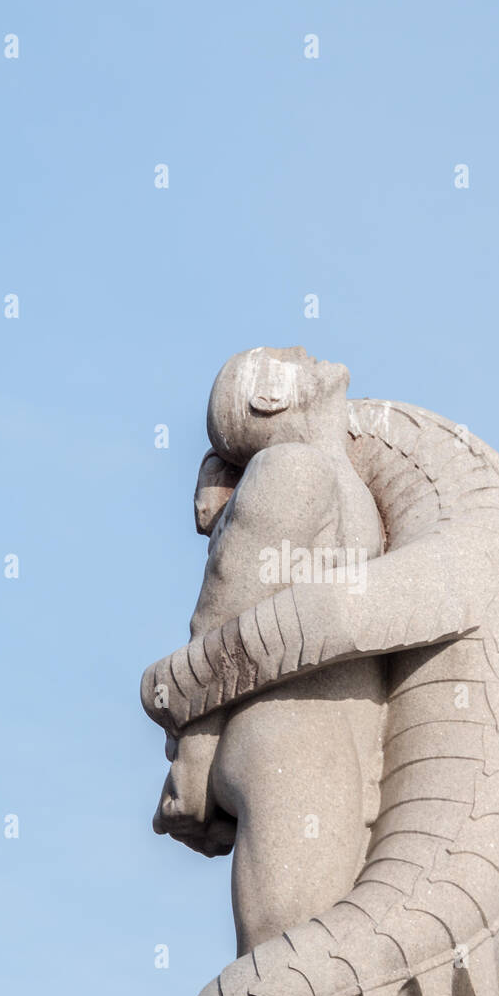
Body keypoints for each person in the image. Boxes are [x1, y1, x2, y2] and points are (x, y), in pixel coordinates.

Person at [152, 347, 386, 955]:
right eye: (288, 357)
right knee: (285, 961)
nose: (307, 354)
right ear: (267, 397)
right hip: (289, 742)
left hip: (325, 741)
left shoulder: (331, 478)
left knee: (319, 958)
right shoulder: (292, 467)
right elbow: (225, 606)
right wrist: (193, 760)